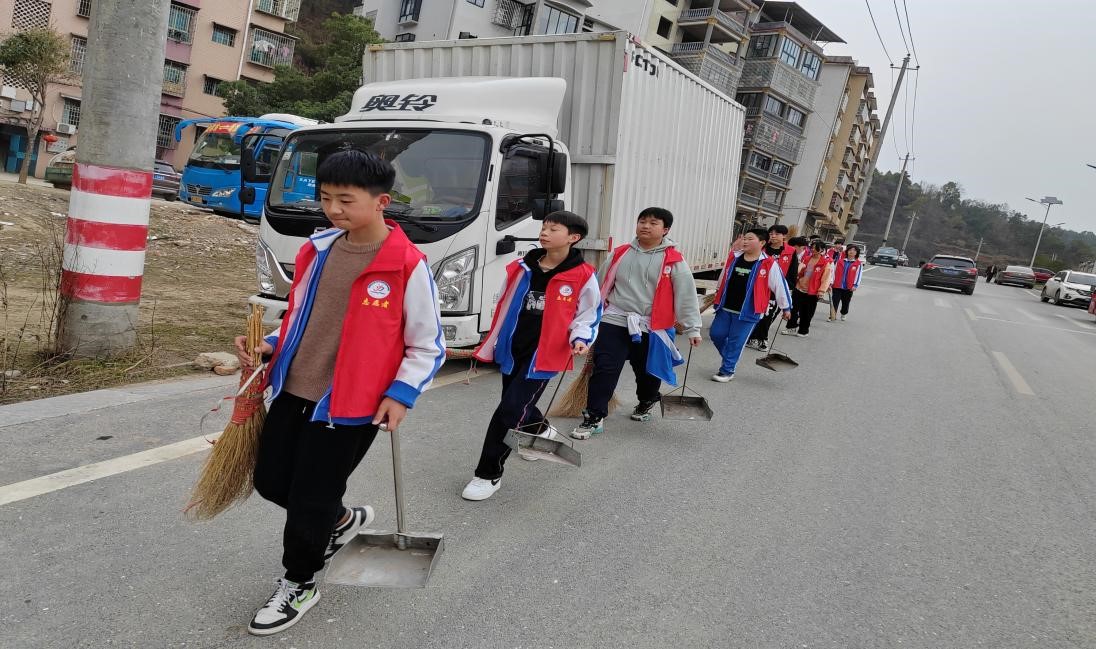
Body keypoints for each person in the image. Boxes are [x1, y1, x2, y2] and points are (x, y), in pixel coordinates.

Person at [233, 150, 445, 636]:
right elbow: (302, 315)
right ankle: (341, 519)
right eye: (325, 198)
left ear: (381, 202)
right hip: (294, 387)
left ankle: (299, 582)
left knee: (310, 497)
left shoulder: (405, 265)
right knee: (271, 482)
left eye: (345, 200)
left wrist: (401, 394)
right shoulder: (319, 250)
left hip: (350, 406)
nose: (332, 210)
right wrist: (270, 345)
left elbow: (428, 344)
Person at [462, 211, 601, 501]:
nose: (545, 232)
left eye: (554, 229)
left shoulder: (583, 275)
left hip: (545, 355)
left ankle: (488, 474)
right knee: (516, 405)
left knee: (509, 410)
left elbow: (589, 313)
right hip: (513, 348)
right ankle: (538, 429)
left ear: (573, 238)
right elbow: (504, 303)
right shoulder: (521, 267)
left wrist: (580, 338)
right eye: (544, 227)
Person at [570, 207, 702, 439]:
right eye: (642, 221)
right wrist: (583, 317)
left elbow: (686, 295)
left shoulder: (674, 261)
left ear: (665, 230)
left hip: (651, 325)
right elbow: (599, 285)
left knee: (647, 371)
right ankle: (594, 416)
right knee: (605, 367)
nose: (645, 226)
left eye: (653, 223)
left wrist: (693, 328)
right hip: (615, 317)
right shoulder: (620, 253)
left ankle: (647, 399)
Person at [709, 228, 792, 382]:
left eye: (750, 239)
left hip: (749, 311)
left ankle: (727, 371)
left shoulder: (768, 264)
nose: (745, 241)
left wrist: (786, 307)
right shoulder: (734, 257)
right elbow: (723, 276)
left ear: (762, 243)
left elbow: (780, 286)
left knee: (736, 342)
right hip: (725, 307)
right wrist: (718, 292)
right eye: (745, 238)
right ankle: (729, 358)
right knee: (716, 334)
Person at [746, 224, 798, 351]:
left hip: (776, 289)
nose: (773, 236)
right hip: (759, 286)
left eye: (776, 234)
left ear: (784, 236)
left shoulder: (790, 251)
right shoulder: (762, 248)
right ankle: (752, 337)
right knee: (756, 312)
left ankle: (763, 339)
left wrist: (788, 287)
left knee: (768, 315)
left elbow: (793, 271)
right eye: (771, 234)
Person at [782, 239, 833, 338]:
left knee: (807, 312)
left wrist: (821, 291)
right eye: (812, 247)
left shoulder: (825, 263)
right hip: (799, 287)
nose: (813, 250)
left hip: (812, 291)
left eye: (816, 248)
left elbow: (826, 278)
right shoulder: (806, 258)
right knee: (793, 309)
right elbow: (798, 272)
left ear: (822, 249)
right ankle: (791, 327)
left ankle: (803, 330)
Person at [829, 244, 863, 321]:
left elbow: (858, 275)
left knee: (845, 302)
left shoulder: (858, 264)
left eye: (854, 250)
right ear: (847, 251)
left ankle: (843, 313)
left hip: (848, 287)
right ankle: (832, 315)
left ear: (856, 253)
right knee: (835, 301)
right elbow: (833, 272)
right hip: (837, 285)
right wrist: (831, 282)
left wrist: (855, 285)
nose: (852, 251)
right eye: (850, 250)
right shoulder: (840, 261)